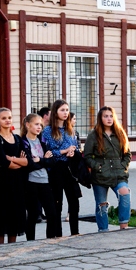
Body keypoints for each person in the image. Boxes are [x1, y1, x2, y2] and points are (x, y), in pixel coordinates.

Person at [85, 107, 132, 231]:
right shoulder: (94, 135)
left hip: (118, 173)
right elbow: (87, 156)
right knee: (101, 205)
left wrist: (123, 166)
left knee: (125, 193)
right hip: (100, 175)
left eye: (111, 116)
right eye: (105, 116)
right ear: (100, 118)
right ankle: (103, 230)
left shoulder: (120, 133)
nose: (109, 118)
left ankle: (123, 225)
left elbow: (127, 154)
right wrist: (98, 167)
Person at [41, 100, 83, 235]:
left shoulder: (70, 129)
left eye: (67, 110)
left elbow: (75, 146)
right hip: (56, 169)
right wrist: (64, 151)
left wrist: (72, 151)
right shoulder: (48, 131)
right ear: (55, 112)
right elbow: (47, 152)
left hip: (70, 169)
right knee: (57, 203)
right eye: (62, 110)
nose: (65, 113)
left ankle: (75, 232)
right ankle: (57, 234)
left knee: (74, 201)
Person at [0, 108, 27, 243]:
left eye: (9, 117)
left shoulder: (17, 138)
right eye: (4, 118)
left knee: (14, 215)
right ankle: (0, 248)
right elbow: (2, 161)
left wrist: (13, 159)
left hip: (17, 182)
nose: (7, 120)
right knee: (1, 216)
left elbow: (26, 160)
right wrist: (15, 161)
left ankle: (12, 247)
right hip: (1, 183)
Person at [21, 113, 57, 239]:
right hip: (31, 182)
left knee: (51, 213)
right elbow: (28, 164)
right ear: (27, 125)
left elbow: (51, 161)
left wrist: (40, 160)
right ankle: (30, 241)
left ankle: (50, 240)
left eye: (40, 125)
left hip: (45, 181)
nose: (39, 127)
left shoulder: (43, 141)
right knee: (33, 214)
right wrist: (43, 160)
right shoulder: (23, 143)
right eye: (36, 124)